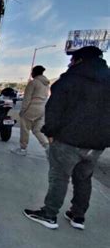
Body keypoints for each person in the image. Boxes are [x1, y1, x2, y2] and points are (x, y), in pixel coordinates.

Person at [23, 46, 110, 230]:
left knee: (59, 177)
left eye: (72, 60)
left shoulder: (71, 79)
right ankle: (78, 217)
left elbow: (54, 108)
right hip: (96, 144)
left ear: (79, 60)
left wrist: (51, 132)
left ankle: (49, 214)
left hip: (68, 139)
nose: (70, 63)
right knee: (84, 179)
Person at [12, 65, 50, 156]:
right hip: (42, 109)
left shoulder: (33, 83)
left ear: (35, 72)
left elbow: (27, 98)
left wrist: (23, 110)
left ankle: (23, 149)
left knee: (25, 129)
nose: (31, 74)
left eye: (32, 72)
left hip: (31, 108)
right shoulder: (46, 84)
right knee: (37, 130)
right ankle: (47, 147)